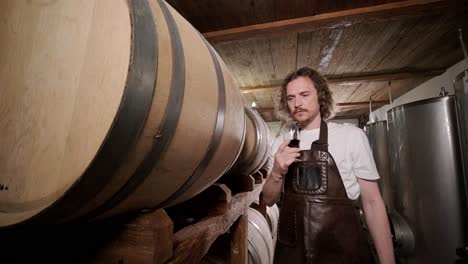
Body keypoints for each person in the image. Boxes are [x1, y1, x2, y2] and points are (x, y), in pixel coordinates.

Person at [262, 67, 395, 263]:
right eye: (290, 98)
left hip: (343, 250)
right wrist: (276, 173)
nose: (296, 103)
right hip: (293, 253)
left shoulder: (351, 136)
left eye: (304, 95)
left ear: (320, 97)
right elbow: (268, 200)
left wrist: (388, 261)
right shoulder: (281, 143)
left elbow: (373, 202)